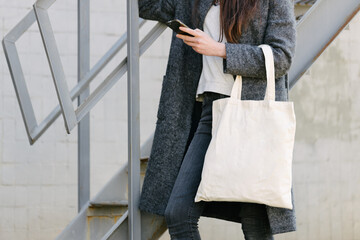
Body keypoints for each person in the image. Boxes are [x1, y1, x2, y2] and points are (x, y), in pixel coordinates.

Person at [138, 0, 297, 239]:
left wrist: (220, 49)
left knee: (255, 223)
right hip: (209, 112)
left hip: (251, 115)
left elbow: (281, 57)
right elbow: (147, 6)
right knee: (179, 213)